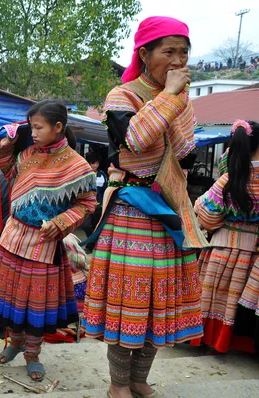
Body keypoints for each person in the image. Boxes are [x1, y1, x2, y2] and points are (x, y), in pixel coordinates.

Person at [82, 17, 203, 398]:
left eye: (183, 51)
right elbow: (133, 140)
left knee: (156, 303)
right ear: (144, 54)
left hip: (167, 212)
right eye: (168, 51)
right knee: (129, 303)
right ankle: (119, 384)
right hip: (131, 210)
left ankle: (139, 380)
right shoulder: (123, 95)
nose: (178, 59)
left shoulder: (181, 99)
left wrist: (174, 103)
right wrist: (168, 98)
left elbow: (186, 155)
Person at [0, 99, 96, 382]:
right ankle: (15, 344)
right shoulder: (28, 153)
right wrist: (5, 150)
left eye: (38, 127)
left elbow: (87, 203)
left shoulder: (77, 166)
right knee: (11, 297)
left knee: (34, 303)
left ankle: (33, 355)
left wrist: (61, 223)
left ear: (58, 127)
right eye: (31, 127)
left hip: (43, 244)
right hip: (13, 236)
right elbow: (10, 175)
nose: (33, 132)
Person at [194, 120, 259, 354]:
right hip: (253, 256)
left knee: (216, 300)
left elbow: (208, 218)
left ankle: (209, 340)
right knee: (237, 303)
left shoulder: (227, 180)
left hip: (221, 249)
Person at [82, 151, 108, 251]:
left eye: (96, 163)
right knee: (86, 226)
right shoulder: (83, 174)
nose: (95, 165)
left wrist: (103, 204)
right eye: (93, 163)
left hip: (98, 206)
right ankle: (93, 242)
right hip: (86, 206)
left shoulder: (102, 175)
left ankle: (90, 247)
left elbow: (105, 189)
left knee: (96, 226)